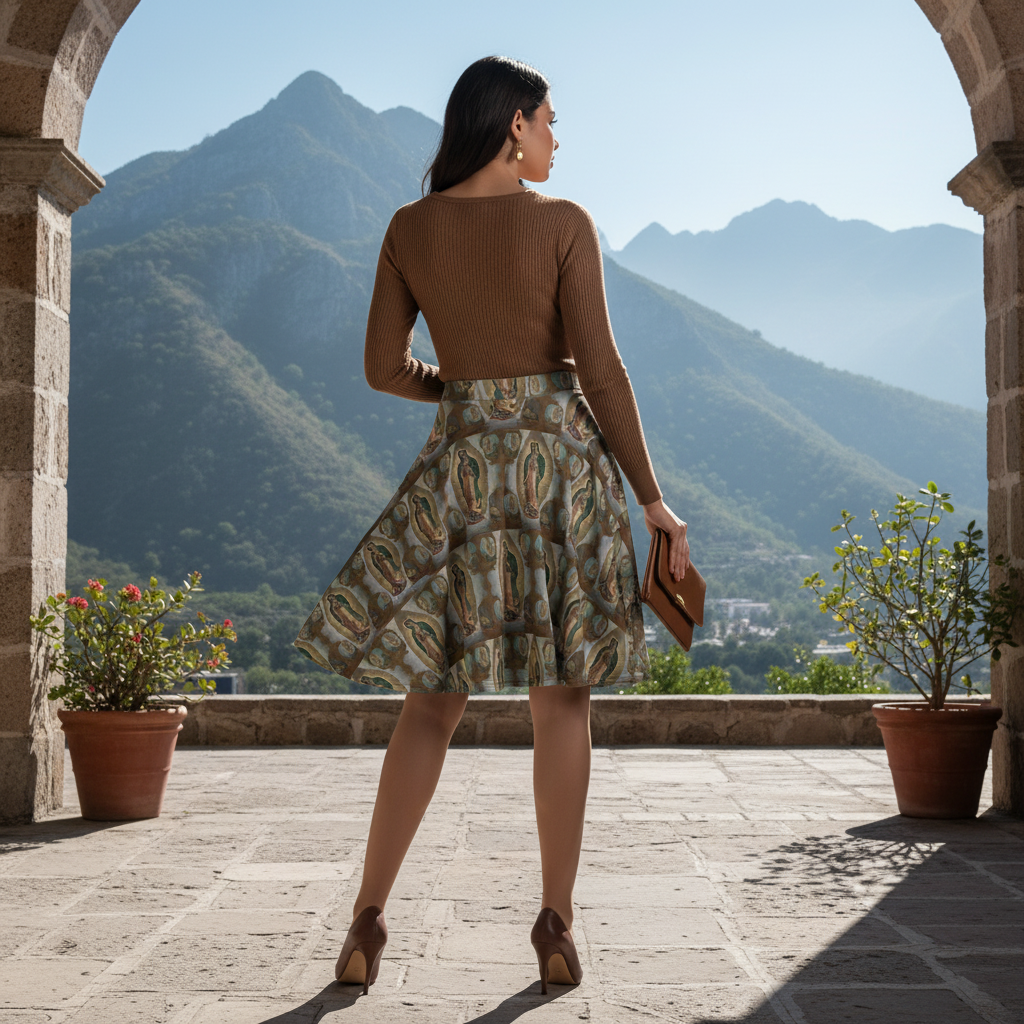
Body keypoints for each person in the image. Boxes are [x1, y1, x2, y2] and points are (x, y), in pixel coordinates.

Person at [293, 55, 690, 996]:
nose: (558, 137)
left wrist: (462, 392)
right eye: (551, 119)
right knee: (562, 702)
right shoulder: (561, 224)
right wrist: (651, 498)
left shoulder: (409, 228)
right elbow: (603, 374)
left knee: (429, 703)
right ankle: (554, 924)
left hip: (463, 472)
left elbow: (382, 368)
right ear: (514, 123)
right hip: (561, 473)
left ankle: (367, 920)